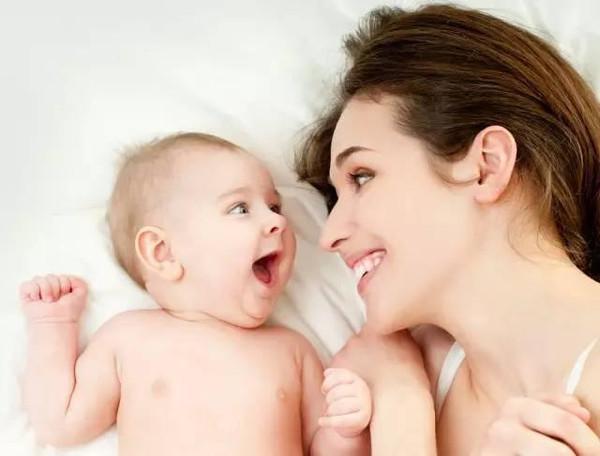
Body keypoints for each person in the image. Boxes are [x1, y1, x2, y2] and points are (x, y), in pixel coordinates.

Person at [295, 4, 600, 454]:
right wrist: (402, 403)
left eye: (362, 176)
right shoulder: (381, 379)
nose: (329, 236)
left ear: (487, 166)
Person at [19, 132, 372, 455]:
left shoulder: (293, 352)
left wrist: (345, 431)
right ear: (163, 253)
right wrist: (53, 324)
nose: (278, 222)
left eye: (275, 207)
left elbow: (323, 449)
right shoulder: (129, 338)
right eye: (240, 209)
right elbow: (61, 423)